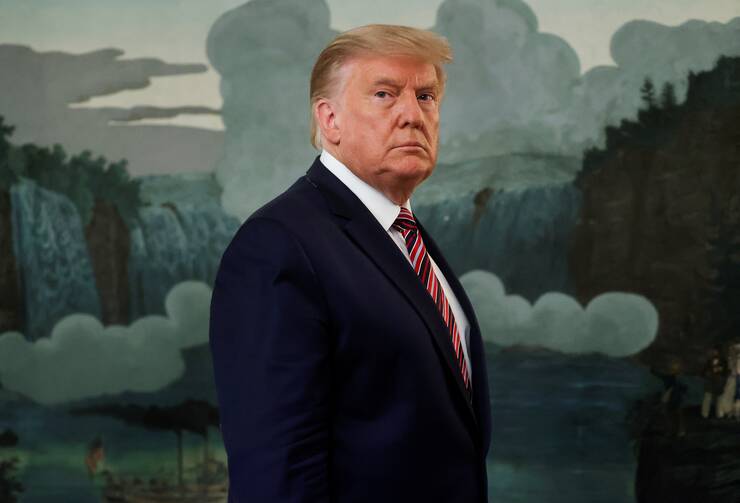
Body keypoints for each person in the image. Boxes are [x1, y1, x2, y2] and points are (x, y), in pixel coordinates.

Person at [209, 24, 491, 502]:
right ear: (329, 120)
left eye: (426, 97)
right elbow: (277, 475)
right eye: (385, 94)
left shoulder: (404, 234)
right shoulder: (277, 245)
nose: (412, 115)